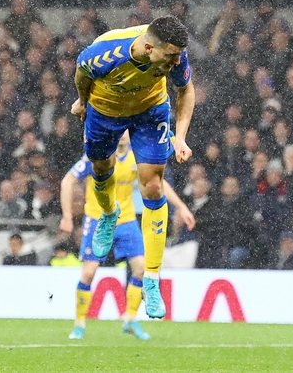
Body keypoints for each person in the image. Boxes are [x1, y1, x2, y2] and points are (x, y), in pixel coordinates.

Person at [71, 16, 195, 319]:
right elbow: (81, 73)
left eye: (179, 55)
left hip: (149, 112)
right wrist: (81, 101)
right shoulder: (103, 54)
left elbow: (186, 90)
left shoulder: (173, 54)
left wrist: (180, 138)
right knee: (101, 171)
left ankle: (152, 278)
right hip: (104, 111)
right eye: (170, 56)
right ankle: (109, 214)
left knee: (152, 185)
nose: (176, 62)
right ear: (149, 47)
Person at [59, 131, 194, 340]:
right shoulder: (99, 154)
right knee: (88, 273)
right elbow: (67, 181)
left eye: (125, 131)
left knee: (141, 269)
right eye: (118, 130)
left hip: (127, 220)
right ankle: (79, 324)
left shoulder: (136, 157)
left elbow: (158, 183)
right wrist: (67, 216)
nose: (121, 135)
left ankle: (130, 319)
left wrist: (181, 207)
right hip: (98, 218)